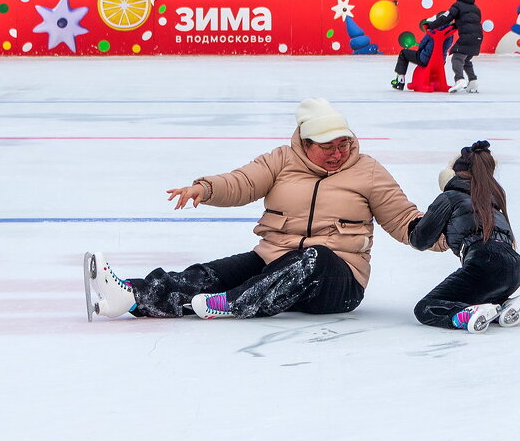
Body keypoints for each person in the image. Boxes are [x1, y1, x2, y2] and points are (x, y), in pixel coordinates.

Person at [84, 98, 426, 321]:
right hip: (273, 261)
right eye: (327, 147)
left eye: (343, 144)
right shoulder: (281, 160)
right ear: (305, 144)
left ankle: (231, 302)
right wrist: (205, 188)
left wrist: (445, 232)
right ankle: (132, 295)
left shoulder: (368, 171)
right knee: (209, 274)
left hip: (337, 282)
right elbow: (242, 182)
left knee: (315, 257)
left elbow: (403, 220)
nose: (338, 154)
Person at [407, 141, 520, 334]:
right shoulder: (493, 202)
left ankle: (466, 315)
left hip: (484, 263)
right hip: (515, 269)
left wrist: (415, 224)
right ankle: (500, 307)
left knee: (426, 308)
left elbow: (420, 240)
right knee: (476, 291)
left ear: (450, 175)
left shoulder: (450, 197)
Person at [427, 0, 483, 93]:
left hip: (467, 37)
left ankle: (459, 79)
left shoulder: (457, 5)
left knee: (457, 58)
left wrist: (431, 25)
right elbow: (466, 22)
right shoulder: (476, 8)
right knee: (466, 59)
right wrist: (455, 25)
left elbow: (445, 17)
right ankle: (473, 81)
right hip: (478, 37)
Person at [390, 18, 453, 90]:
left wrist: (421, 50)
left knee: (403, 53)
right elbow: (447, 46)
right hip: (440, 62)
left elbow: (422, 44)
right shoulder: (450, 34)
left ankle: (400, 80)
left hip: (425, 59)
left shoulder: (433, 31)